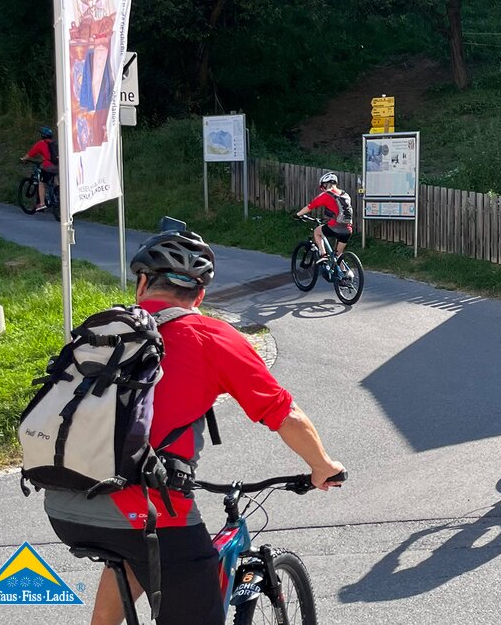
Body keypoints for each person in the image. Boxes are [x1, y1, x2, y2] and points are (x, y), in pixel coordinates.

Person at [44, 223, 345, 625]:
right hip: (147, 512)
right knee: (159, 547)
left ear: (142, 284)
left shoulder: (106, 332)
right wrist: (322, 465)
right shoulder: (212, 337)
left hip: (65, 500)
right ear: (200, 294)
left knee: (137, 553)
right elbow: (283, 413)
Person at [295, 172, 353, 262]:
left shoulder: (326, 195)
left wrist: (298, 214)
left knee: (317, 232)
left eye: (323, 186)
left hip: (334, 226)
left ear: (326, 184)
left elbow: (310, 206)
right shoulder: (345, 195)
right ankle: (347, 274)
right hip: (347, 229)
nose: (322, 189)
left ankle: (323, 255)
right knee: (337, 256)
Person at [19, 126, 59, 212]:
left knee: (41, 183)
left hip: (48, 166)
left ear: (43, 136)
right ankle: (58, 191)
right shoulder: (55, 143)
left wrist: (23, 159)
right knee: (55, 177)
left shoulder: (41, 143)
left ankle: (42, 204)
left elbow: (30, 154)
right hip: (58, 166)